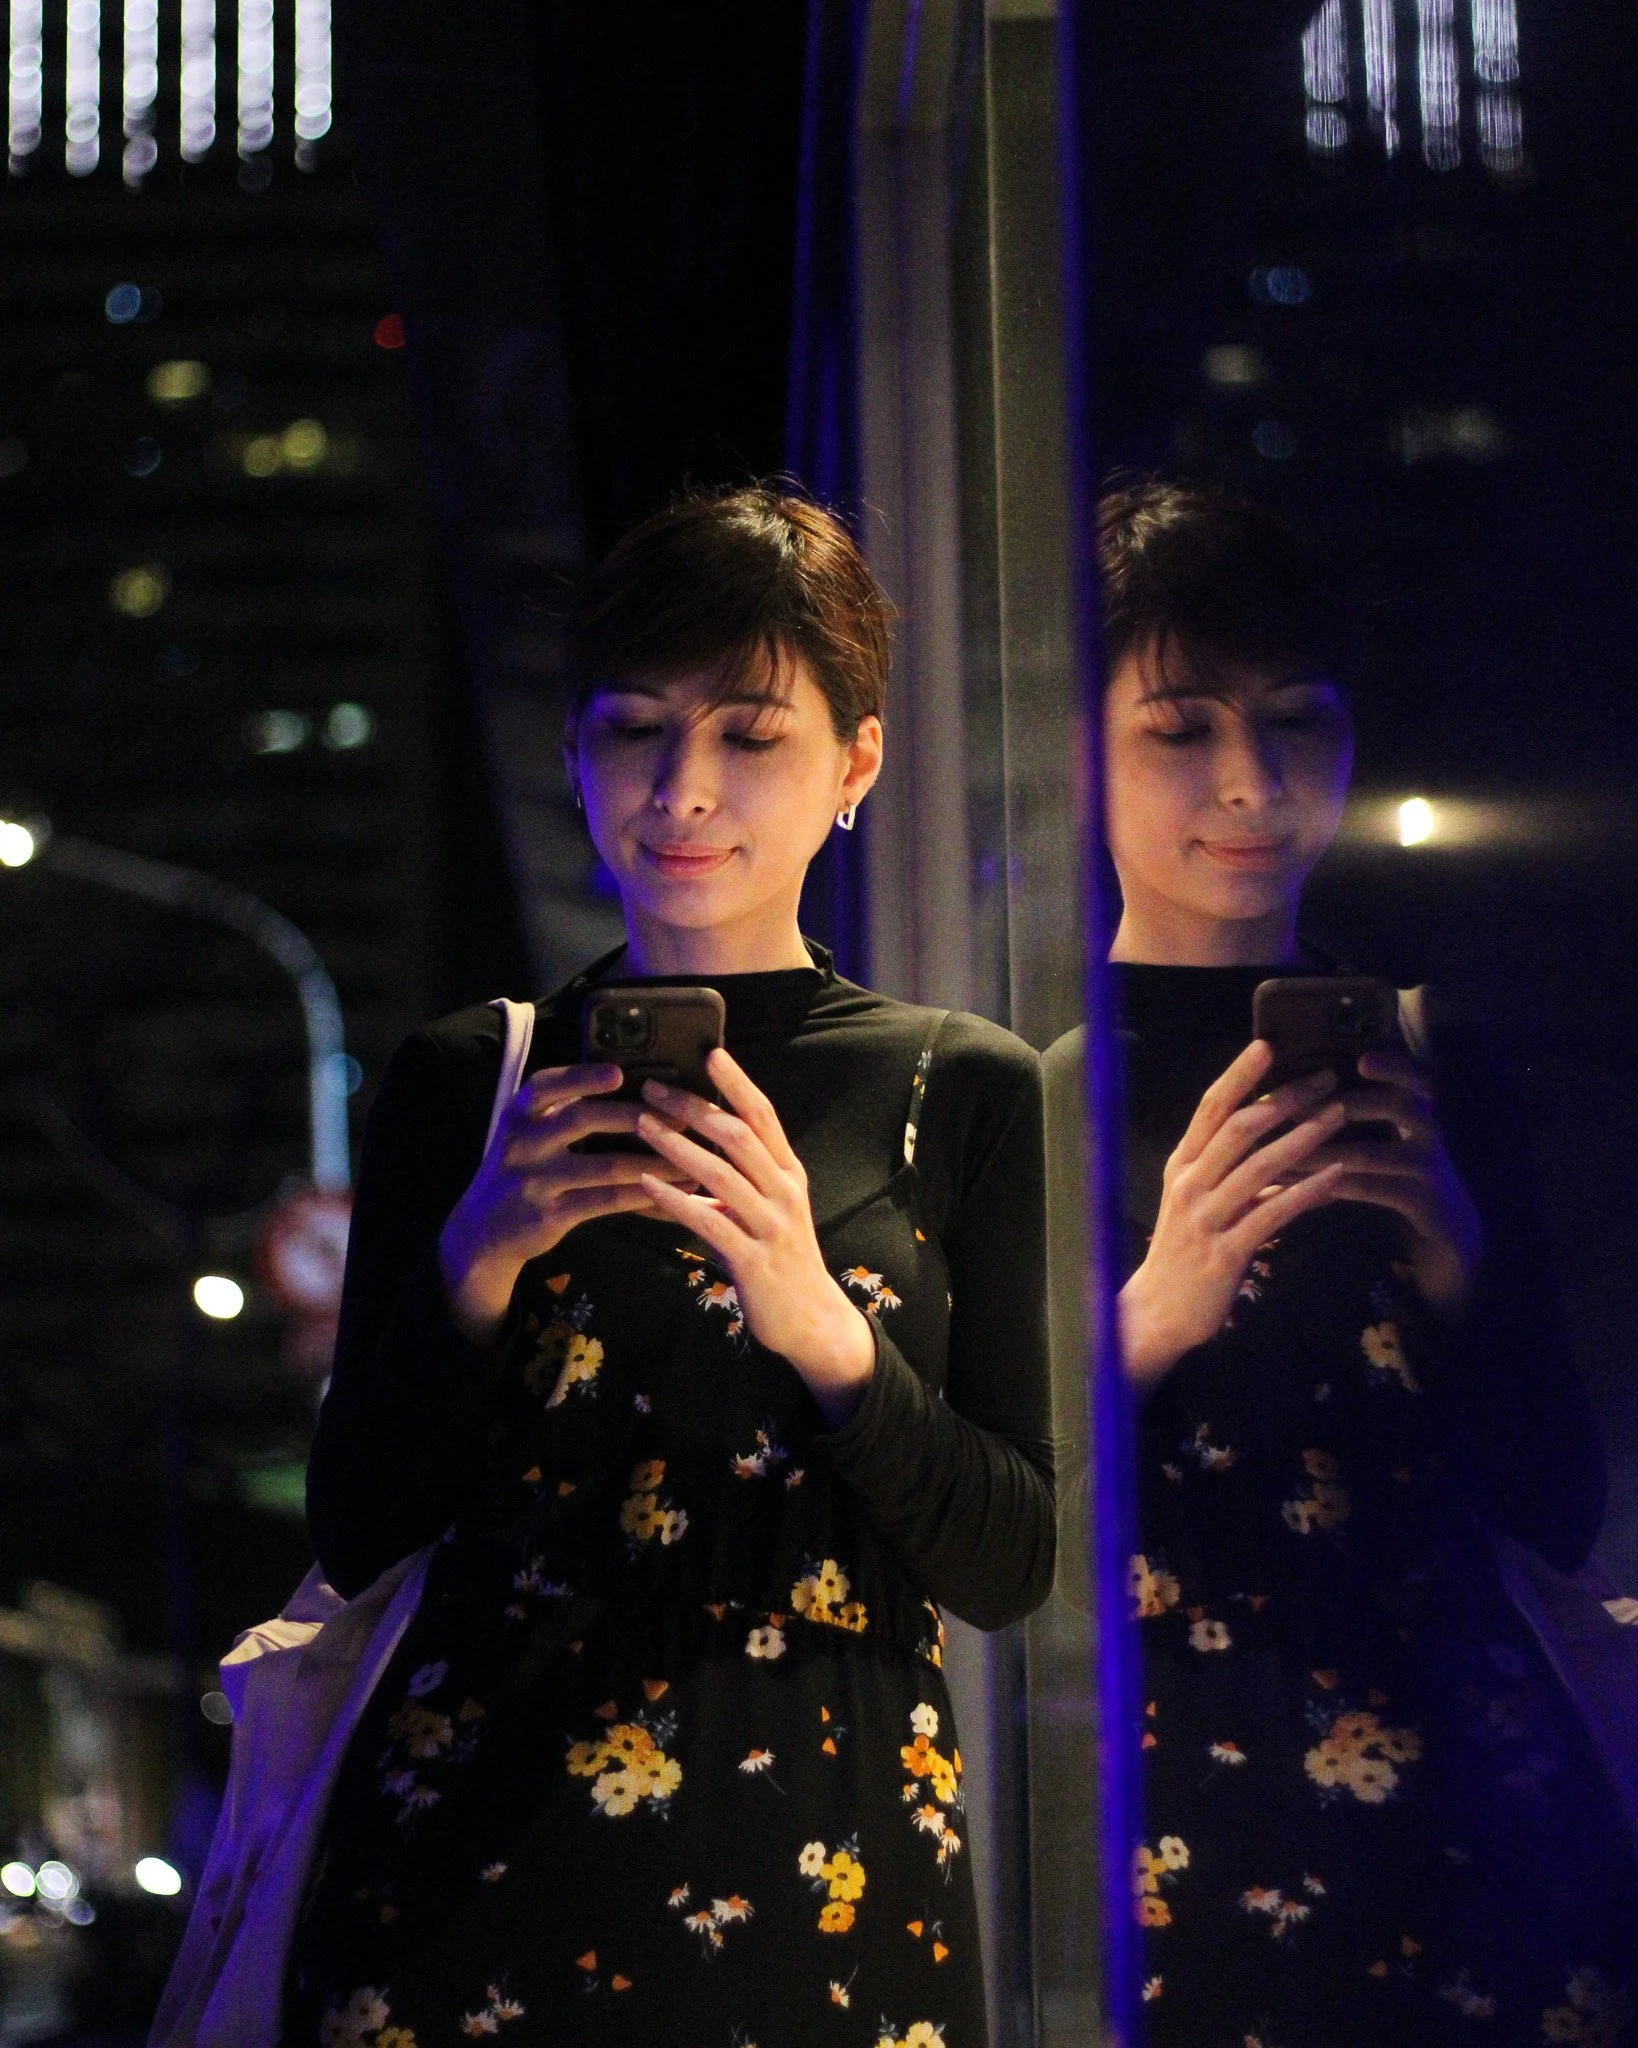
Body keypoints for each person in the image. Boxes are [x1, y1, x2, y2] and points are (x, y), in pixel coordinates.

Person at [283, 487, 1055, 2048]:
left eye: (749, 735)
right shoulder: (474, 1077)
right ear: (575, 753)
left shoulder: (958, 1084)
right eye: (634, 728)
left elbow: (1006, 1563)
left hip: (827, 1852)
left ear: (857, 762)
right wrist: (479, 1260)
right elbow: (357, 1528)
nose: (682, 787)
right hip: (470, 1854)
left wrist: (817, 1323)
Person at [1043, 481, 1636, 2046]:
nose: (1249, 778)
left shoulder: (1431, 1060)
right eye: (1179, 728)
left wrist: (1455, 1266)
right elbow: (977, 1525)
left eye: (1294, 718)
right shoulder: (1021, 1085)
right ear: (1074, 750)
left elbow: (1555, 1508)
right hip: (1162, 1821)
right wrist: (1151, 1316)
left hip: (1472, 1824)